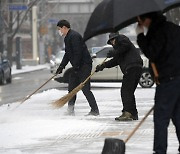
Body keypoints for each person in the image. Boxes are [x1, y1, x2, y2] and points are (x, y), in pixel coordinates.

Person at [136, 11, 180, 154]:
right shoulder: (174, 28)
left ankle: (159, 151)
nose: (141, 24)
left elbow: (152, 53)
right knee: (178, 117)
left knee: (161, 119)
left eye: (141, 21)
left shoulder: (157, 31)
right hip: (177, 78)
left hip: (168, 81)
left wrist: (140, 36)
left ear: (148, 19)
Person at [95, 32, 143, 121]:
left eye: (113, 40)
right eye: (111, 41)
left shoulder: (122, 39)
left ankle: (128, 112)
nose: (112, 42)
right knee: (129, 92)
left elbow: (125, 46)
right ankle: (133, 113)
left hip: (132, 67)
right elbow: (115, 61)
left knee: (125, 91)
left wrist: (114, 52)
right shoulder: (119, 51)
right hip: (135, 67)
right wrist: (103, 66)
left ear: (116, 38)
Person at [56, 19, 99, 116]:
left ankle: (95, 110)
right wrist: (61, 66)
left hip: (84, 65)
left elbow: (78, 53)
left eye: (59, 29)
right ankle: (70, 110)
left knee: (85, 89)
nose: (59, 31)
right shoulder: (67, 38)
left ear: (64, 27)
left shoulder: (74, 36)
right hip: (77, 66)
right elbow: (68, 54)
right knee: (71, 89)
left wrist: (76, 66)